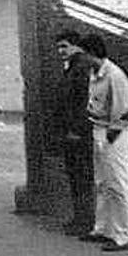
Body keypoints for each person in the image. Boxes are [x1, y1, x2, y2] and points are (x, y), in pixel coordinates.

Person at [77, 34, 128, 251]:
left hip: (113, 132)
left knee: (118, 183)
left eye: (84, 54)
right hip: (98, 128)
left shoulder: (114, 75)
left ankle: (125, 234)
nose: (82, 59)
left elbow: (126, 109)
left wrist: (112, 134)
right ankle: (104, 229)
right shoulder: (95, 73)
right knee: (101, 183)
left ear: (92, 53)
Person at [53, 31, 98, 235]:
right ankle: (81, 219)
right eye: (59, 47)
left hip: (79, 133)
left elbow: (82, 102)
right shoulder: (74, 66)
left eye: (64, 46)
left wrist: (75, 130)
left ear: (76, 46)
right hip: (74, 132)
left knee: (82, 177)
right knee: (77, 176)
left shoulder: (82, 67)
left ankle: (85, 221)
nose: (60, 51)